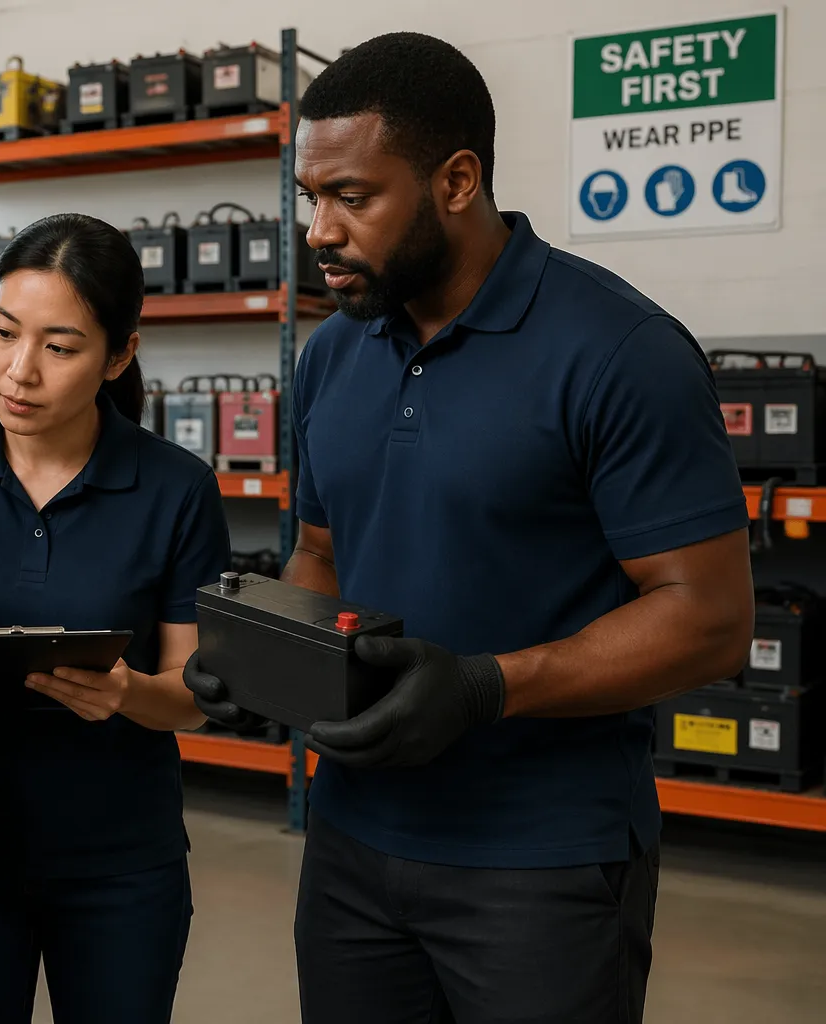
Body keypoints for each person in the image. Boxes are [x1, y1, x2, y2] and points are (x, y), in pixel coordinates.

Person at [187, 32, 753, 1023]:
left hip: (542, 861)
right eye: (307, 197)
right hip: (353, 843)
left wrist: (488, 685)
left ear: (456, 181)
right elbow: (321, 552)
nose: (318, 229)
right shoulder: (333, 356)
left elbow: (706, 618)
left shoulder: (621, 353)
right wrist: (270, 646)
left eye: (351, 196)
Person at [0, 214, 230, 1024]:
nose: (18, 372)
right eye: (2, 333)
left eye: (60, 348)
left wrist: (128, 692)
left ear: (120, 354)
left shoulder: (176, 488)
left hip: (118, 860)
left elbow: (192, 692)